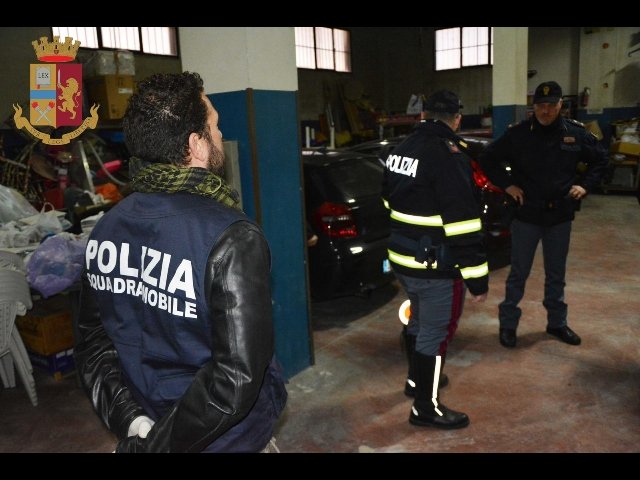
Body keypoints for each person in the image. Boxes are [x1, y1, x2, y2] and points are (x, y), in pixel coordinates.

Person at [74, 72, 287, 453]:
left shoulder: (106, 229)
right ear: (195, 145)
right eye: (215, 126)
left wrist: (134, 423)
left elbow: (92, 345)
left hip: (148, 422)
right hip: (227, 440)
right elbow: (235, 378)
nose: (220, 134)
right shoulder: (232, 237)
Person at [382, 90, 488, 430]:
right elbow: (464, 224)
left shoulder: (400, 149)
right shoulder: (448, 156)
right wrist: (477, 279)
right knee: (435, 333)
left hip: (403, 260)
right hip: (436, 266)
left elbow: (387, 201)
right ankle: (425, 408)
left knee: (418, 321)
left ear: (422, 115)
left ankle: (416, 380)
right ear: (457, 119)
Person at [478, 80, 607, 349]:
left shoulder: (575, 133)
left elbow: (600, 160)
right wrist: (507, 185)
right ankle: (508, 324)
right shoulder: (518, 134)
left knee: (556, 274)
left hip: (559, 216)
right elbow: (488, 158)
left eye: (551, 105)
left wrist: (585, 186)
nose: (545, 110)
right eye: (540, 105)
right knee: (518, 273)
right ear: (533, 107)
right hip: (527, 215)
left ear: (561, 105)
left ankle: (557, 323)